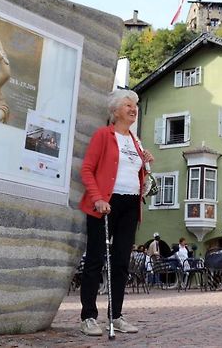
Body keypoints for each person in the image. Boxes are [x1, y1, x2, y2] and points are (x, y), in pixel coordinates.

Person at [79, 89, 154, 336]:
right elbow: (88, 169)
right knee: (95, 259)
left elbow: (135, 171)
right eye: (128, 105)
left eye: (135, 105)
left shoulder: (135, 140)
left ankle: (116, 315)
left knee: (122, 262)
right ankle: (88, 316)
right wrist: (98, 198)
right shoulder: (104, 135)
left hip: (131, 204)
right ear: (114, 111)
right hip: (106, 203)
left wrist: (145, 163)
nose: (134, 109)